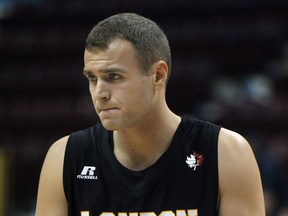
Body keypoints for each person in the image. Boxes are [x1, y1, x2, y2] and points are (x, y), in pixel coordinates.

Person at [35, 13, 265, 216]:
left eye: (114, 76)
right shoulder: (65, 157)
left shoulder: (226, 153)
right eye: (92, 78)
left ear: (157, 75)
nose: (99, 93)